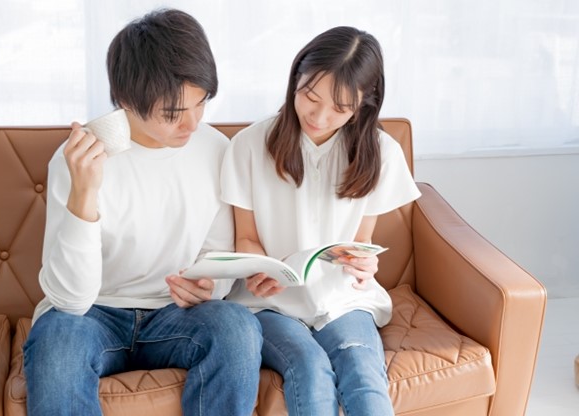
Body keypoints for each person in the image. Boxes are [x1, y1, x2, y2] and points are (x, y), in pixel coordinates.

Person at [23, 9, 262, 416]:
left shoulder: (217, 150)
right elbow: (70, 299)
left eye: (201, 103)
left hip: (175, 316)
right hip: (91, 314)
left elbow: (216, 257)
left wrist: (209, 287)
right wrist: (85, 193)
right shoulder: (78, 160)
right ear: (127, 102)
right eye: (173, 113)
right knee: (56, 343)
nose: (191, 124)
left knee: (237, 327)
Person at [220, 26, 421, 415]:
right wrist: (259, 270)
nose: (320, 115)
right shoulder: (248, 145)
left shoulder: (381, 152)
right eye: (311, 96)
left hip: (343, 299)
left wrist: (366, 261)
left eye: (341, 108)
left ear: (364, 104)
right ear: (296, 78)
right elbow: (245, 237)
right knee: (309, 370)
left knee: (363, 372)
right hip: (271, 303)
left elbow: (361, 243)